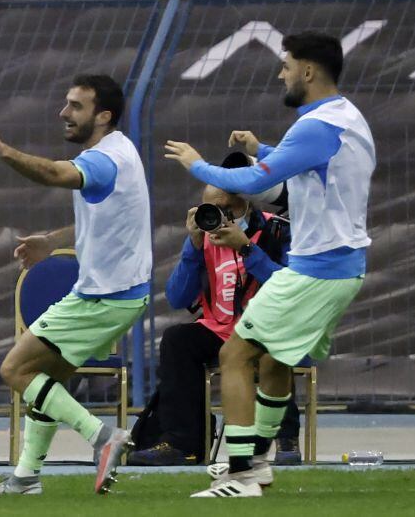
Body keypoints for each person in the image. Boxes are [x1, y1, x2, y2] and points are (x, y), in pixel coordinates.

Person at [164, 32, 375, 498]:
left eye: (285, 65)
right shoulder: (345, 119)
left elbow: (251, 181)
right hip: (338, 267)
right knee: (275, 361)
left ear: (308, 71)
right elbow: (301, 175)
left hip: (318, 269)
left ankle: (241, 472)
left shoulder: (317, 125)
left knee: (235, 355)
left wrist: (197, 165)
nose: (280, 73)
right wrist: (263, 148)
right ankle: (258, 461)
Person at [0, 74, 151, 496]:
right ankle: (25, 477)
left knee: (15, 369)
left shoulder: (104, 159)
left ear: (103, 115)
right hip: (118, 295)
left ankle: (102, 435)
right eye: (66, 103)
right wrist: (52, 241)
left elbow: (55, 173)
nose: (64, 113)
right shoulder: (116, 151)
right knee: (47, 381)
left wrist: (1, 151)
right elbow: (106, 221)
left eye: (76, 106)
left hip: (103, 298)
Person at [129, 183, 301, 466]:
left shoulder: (277, 230)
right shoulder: (203, 238)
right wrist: (193, 247)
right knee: (176, 340)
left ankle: (286, 437)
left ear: (247, 203)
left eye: (227, 209)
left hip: (266, 325)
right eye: (212, 210)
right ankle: (181, 443)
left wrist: (245, 248)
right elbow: (176, 297)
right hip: (218, 329)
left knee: (274, 345)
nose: (220, 218)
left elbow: (290, 288)